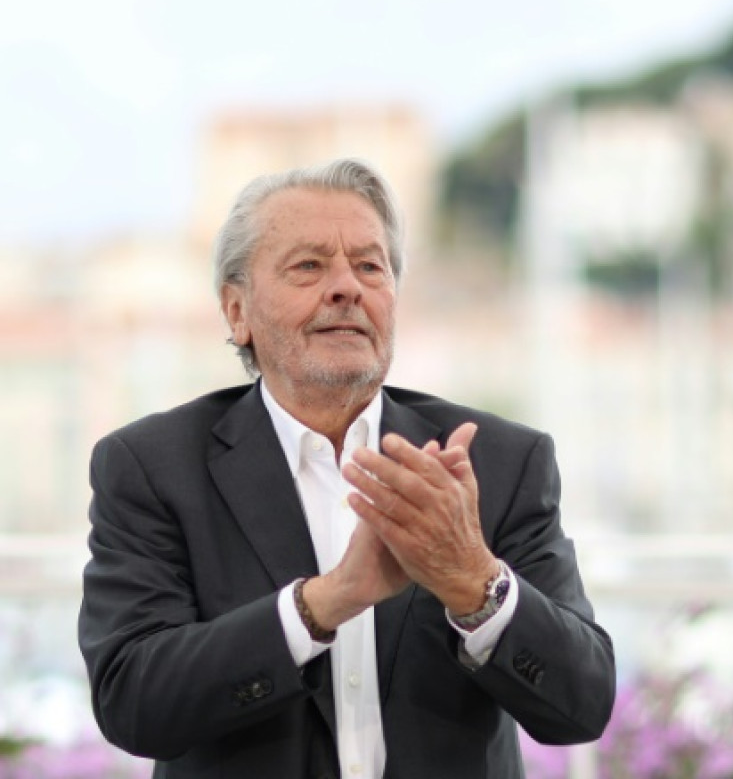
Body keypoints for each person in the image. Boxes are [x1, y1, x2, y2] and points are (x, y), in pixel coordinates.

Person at [78, 158, 615, 779]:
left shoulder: (495, 460)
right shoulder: (152, 466)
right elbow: (134, 703)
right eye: (308, 266)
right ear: (237, 312)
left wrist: (475, 582)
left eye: (369, 265)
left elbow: (583, 706)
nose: (346, 287)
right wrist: (324, 604)